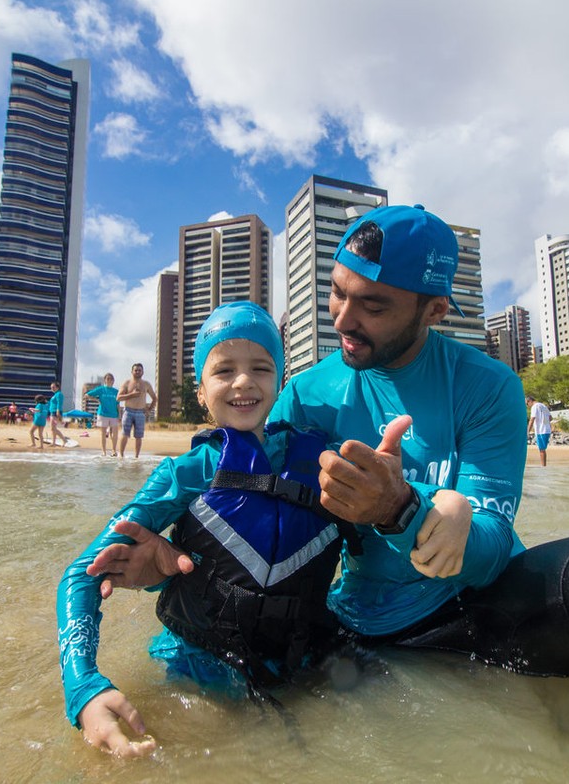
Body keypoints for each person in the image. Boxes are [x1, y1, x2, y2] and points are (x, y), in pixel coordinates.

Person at [92, 204, 569, 733]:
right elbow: (247, 525)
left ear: (434, 310)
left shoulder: (485, 387)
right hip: (360, 626)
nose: (343, 318)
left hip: (481, 609)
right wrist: (170, 572)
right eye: (337, 293)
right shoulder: (306, 394)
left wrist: (403, 509)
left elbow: (487, 549)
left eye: (373, 305)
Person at [58, 302, 358, 758]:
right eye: (224, 371)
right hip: (199, 669)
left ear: (279, 381)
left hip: (303, 662)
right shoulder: (188, 472)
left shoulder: (322, 465)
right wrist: (84, 688)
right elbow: (82, 574)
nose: (243, 381)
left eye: (261, 367)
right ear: (200, 390)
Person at [117, 363, 157, 458]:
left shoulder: (146, 384)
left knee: (138, 436)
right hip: (128, 411)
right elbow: (118, 398)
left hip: (140, 412)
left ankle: (136, 457)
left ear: (142, 372)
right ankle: (121, 455)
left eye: (139, 370)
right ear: (132, 372)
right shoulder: (127, 383)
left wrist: (149, 409)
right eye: (136, 370)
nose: (138, 372)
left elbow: (154, 398)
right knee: (124, 433)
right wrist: (132, 395)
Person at [86, 373, 122, 457]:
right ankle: (104, 451)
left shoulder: (116, 391)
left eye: (111, 379)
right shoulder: (101, 389)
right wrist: (97, 400)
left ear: (113, 381)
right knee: (103, 433)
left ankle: (114, 450)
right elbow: (87, 395)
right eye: (107, 378)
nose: (109, 380)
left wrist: (119, 415)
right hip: (103, 414)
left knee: (115, 433)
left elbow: (118, 405)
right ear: (105, 380)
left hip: (114, 414)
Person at [526, 395, 552, 466]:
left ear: (530, 401)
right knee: (542, 449)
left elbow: (532, 419)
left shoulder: (534, 407)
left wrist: (528, 431)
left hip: (541, 430)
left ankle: (543, 467)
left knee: (541, 450)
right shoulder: (543, 405)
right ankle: (544, 465)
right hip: (547, 430)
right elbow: (550, 418)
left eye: (527, 404)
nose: (527, 406)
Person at [48, 382, 70, 448]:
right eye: (51, 387)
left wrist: (58, 411)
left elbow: (59, 403)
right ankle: (54, 443)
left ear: (57, 387)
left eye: (53, 387)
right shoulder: (55, 394)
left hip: (55, 412)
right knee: (53, 428)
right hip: (52, 412)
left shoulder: (59, 394)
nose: (52, 388)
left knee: (53, 428)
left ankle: (64, 440)